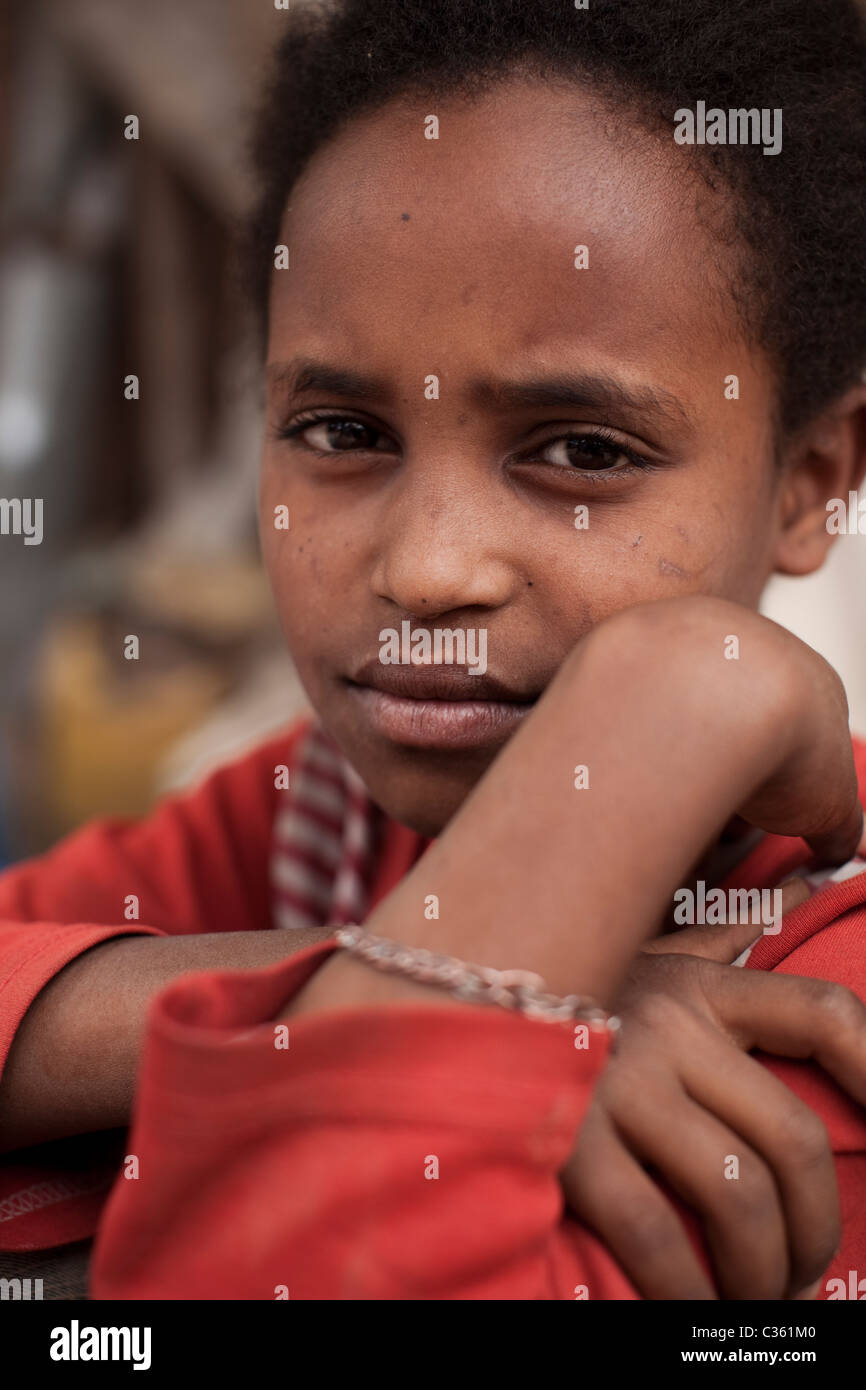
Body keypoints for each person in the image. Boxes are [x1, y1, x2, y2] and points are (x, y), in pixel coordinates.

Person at [2, 0, 866, 1300]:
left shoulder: (810, 1002)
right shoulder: (326, 825)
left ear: (807, 484)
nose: (424, 567)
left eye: (581, 451)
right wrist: (443, 998)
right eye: (341, 431)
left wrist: (669, 692)